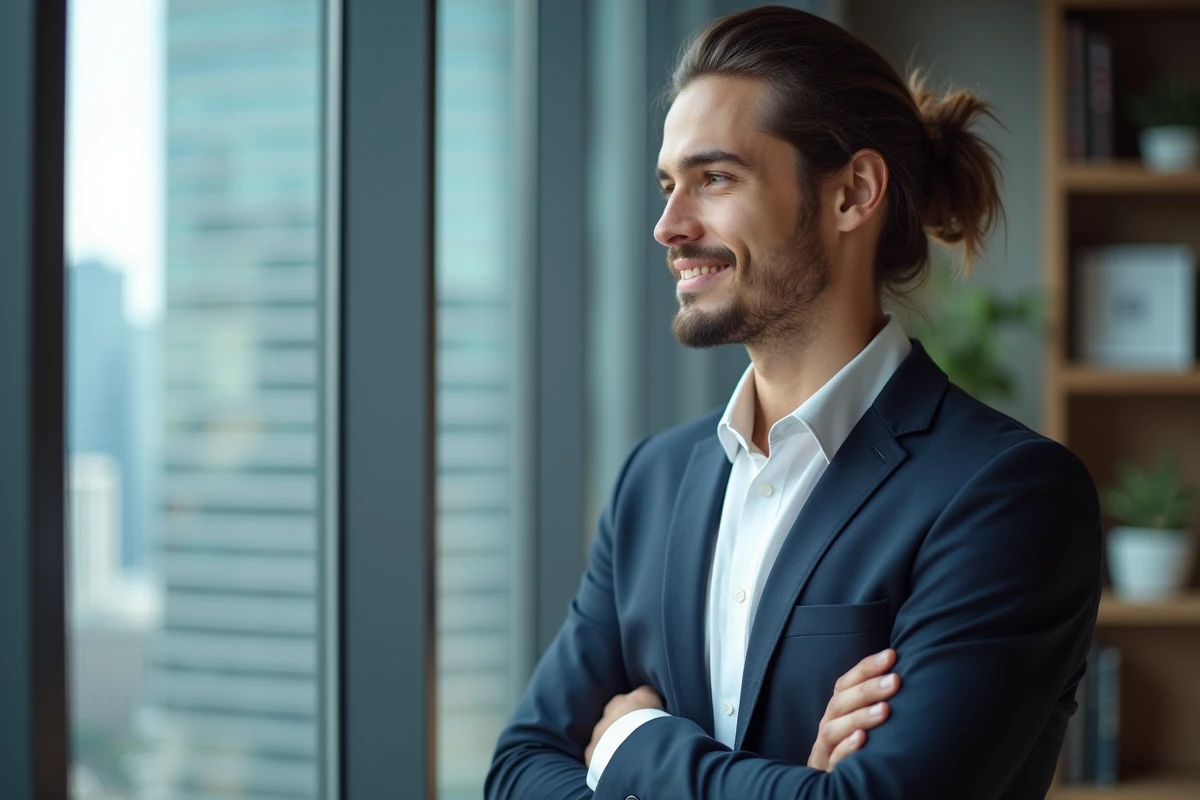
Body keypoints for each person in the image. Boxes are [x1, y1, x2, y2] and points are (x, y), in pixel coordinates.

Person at [485, 6, 1102, 799]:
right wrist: (787, 785)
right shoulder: (654, 481)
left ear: (852, 193)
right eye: (669, 185)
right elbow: (517, 770)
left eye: (714, 178)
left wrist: (632, 744)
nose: (667, 226)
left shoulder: (1006, 495)